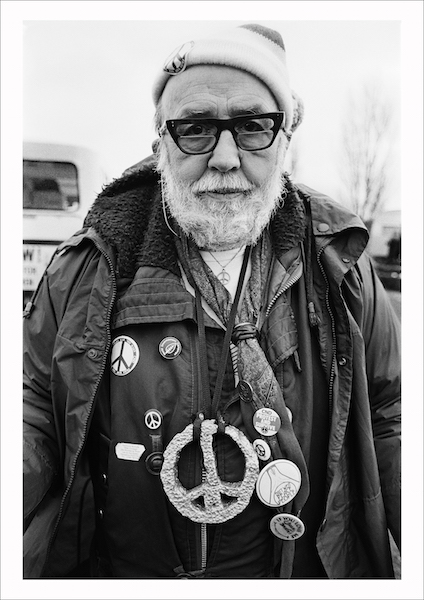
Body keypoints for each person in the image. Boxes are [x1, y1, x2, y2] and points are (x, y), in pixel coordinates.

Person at [23, 23, 401, 579]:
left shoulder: (339, 264)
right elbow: (32, 416)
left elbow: (392, 416)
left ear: (284, 142)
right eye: (196, 129)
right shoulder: (89, 269)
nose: (224, 158)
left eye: (252, 127)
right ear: (160, 147)